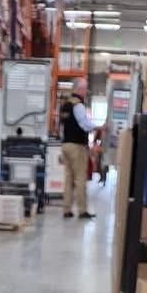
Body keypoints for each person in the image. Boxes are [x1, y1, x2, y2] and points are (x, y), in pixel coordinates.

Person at [59, 83, 94, 221]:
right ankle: (82, 210)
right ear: (79, 89)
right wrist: (98, 127)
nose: (86, 91)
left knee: (68, 179)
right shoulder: (78, 105)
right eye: (85, 89)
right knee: (80, 178)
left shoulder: (65, 104)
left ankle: (66, 210)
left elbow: (62, 125)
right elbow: (84, 124)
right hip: (76, 146)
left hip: (66, 144)